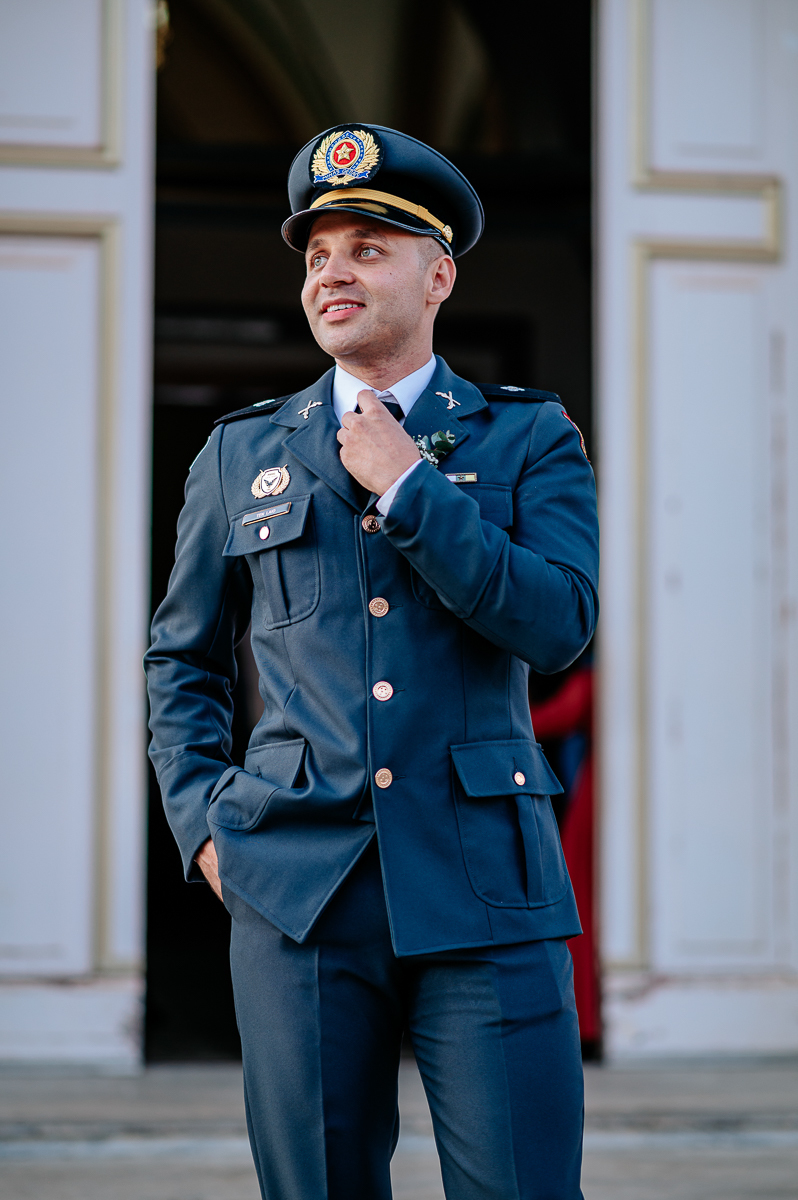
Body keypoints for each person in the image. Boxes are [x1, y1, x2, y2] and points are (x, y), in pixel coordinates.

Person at [145, 123, 599, 1200]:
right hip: (297, 887)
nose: (333, 271)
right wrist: (208, 828)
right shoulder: (241, 453)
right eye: (317, 252)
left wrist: (412, 492)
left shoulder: (527, 440)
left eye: (367, 245)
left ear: (438, 275)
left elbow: (559, 624)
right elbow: (182, 662)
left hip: (488, 882)